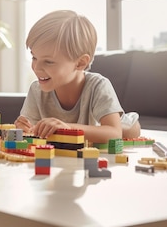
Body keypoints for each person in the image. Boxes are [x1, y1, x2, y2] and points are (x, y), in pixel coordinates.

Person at [14, 10, 141, 144]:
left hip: (113, 125)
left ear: (80, 63)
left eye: (48, 61)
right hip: (77, 139)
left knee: (128, 129)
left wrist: (68, 128)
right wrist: (24, 128)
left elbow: (114, 134)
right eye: (34, 57)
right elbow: (31, 130)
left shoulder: (98, 85)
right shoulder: (36, 89)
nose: (36, 67)